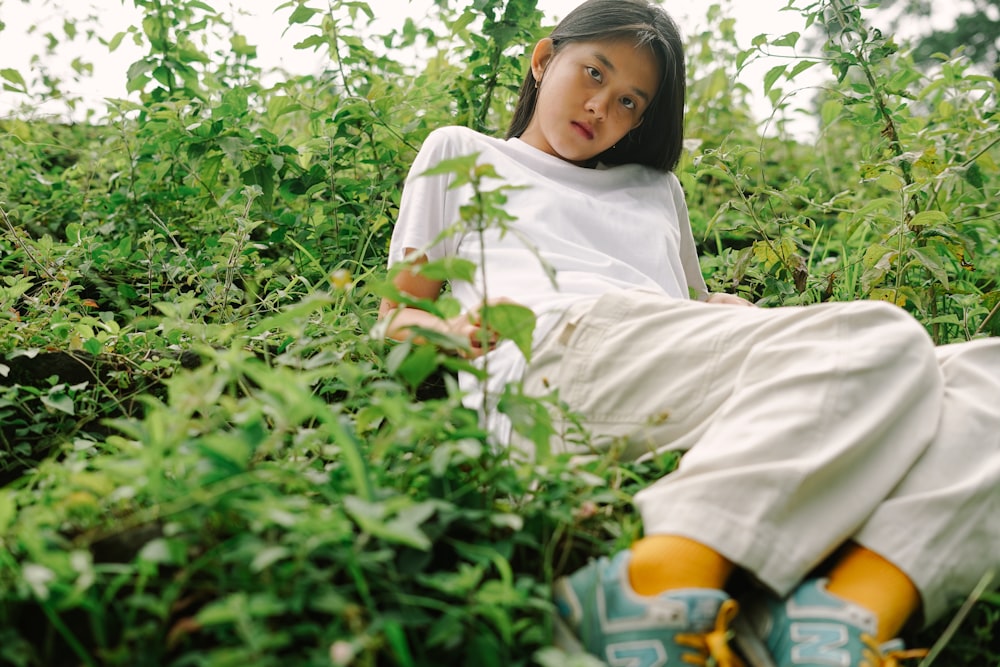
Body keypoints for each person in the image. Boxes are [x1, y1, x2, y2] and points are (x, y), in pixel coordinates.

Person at [377, 0, 1000, 665]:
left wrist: (728, 311)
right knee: (883, 335)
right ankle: (651, 584)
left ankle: (837, 620)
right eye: (593, 74)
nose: (601, 108)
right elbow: (394, 318)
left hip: (653, 356)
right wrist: (447, 328)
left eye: (628, 103)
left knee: (985, 374)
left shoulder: (655, 186)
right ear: (543, 58)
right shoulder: (463, 152)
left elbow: (688, 311)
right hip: (550, 348)